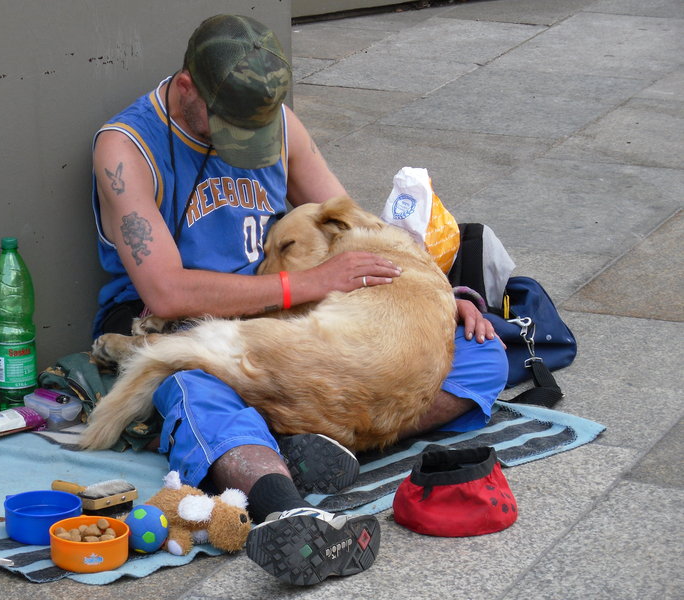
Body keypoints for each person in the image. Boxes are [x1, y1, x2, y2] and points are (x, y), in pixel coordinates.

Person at [90, 14, 508, 586]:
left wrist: (435, 297)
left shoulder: (277, 122)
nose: (250, 144)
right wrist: (299, 286)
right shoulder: (126, 149)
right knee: (192, 388)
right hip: (174, 316)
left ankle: (309, 433)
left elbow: (350, 223)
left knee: (484, 350)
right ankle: (286, 507)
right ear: (188, 88)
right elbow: (165, 289)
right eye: (232, 129)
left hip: (294, 318)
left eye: (255, 133)